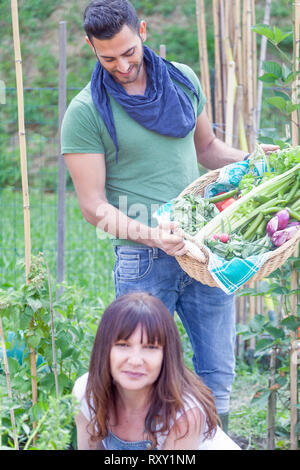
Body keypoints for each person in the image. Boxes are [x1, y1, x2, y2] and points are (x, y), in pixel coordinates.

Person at [61, 0, 279, 430]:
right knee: (141, 379)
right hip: (144, 259)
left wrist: (257, 162)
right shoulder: (85, 112)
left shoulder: (181, 80)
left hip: (205, 251)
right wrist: (153, 236)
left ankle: (210, 441)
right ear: (90, 47)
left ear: (142, 30)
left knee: (218, 371)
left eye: (129, 52)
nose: (122, 65)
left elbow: (208, 151)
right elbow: (94, 207)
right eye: (108, 57)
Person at [72, 292, 241, 450]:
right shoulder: (86, 392)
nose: (135, 361)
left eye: (150, 347)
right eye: (123, 345)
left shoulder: (184, 414)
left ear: (166, 355)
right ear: (104, 349)